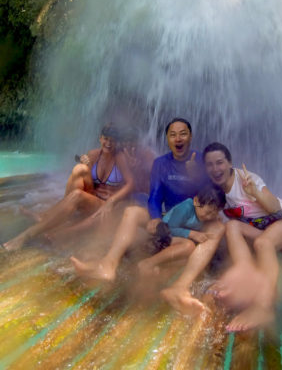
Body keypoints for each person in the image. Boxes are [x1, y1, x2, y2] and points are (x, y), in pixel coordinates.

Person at [70, 118, 213, 284]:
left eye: (183, 134)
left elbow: (212, 195)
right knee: (132, 212)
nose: (178, 139)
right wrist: (156, 217)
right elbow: (155, 196)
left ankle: (156, 267)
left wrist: (196, 176)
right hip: (167, 218)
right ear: (167, 138)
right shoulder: (161, 163)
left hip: (191, 221)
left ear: (190, 136)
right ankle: (108, 266)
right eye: (173, 135)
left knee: (186, 246)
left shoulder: (201, 160)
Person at [202, 142, 282, 332]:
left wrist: (254, 192)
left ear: (229, 163)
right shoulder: (214, 192)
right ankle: (244, 272)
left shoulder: (246, 179)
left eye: (220, 162)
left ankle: (263, 308)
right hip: (262, 229)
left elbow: (274, 207)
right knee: (231, 226)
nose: (215, 169)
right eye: (210, 164)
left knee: (263, 243)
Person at [4, 124, 134, 251]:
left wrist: (112, 201)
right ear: (100, 138)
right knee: (79, 169)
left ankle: (27, 235)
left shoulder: (120, 157)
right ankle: (51, 216)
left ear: (116, 142)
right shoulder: (94, 154)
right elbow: (89, 178)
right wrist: (84, 163)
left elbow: (131, 183)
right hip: (93, 197)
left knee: (77, 195)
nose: (108, 143)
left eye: (112, 140)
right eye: (106, 139)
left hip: (105, 205)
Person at [137, 184, 226, 278]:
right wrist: (192, 234)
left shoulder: (204, 213)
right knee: (189, 246)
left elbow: (210, 217)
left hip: (176, 241)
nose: (209, 217)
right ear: (196, 201)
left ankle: (159, 267)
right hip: (162, 236)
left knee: (192, 257)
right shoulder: (186, 207)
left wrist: (215, 218)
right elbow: (170, 228)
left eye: (214, 213)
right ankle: (148, 263)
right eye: (208, 212)